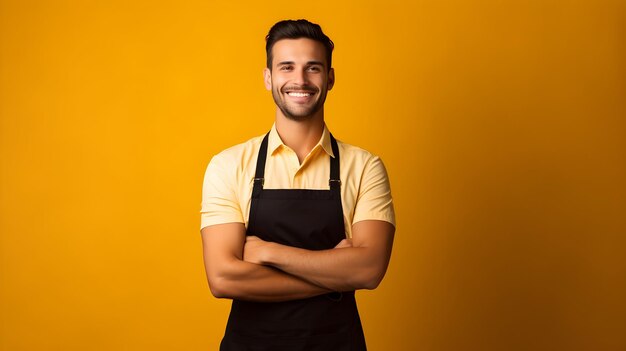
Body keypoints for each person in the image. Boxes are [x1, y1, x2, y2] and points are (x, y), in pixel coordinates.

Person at [200, 19, 396, 350]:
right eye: (286, 67)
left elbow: (369, 269)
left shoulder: (365, 167)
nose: (299, 80)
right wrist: (334, 279)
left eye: (313, 68)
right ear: (268, 77)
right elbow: (222, 278)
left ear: (330, 78)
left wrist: (267, 251)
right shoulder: (228, 165)